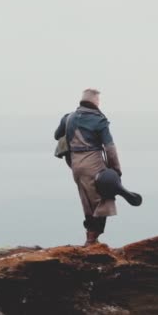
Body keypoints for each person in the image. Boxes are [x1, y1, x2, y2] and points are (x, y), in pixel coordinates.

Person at [54, 89, 122, 246]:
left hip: (75, 165)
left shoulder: (68, 118)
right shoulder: (99, 120)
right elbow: (110, 148)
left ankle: (90, 236)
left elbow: (57, 135)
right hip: (94, 164)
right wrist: (116, 170)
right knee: (103, 198)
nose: (99, 102)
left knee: (87, 201)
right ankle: (92, 239)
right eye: (98, 100)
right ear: (94, 101)